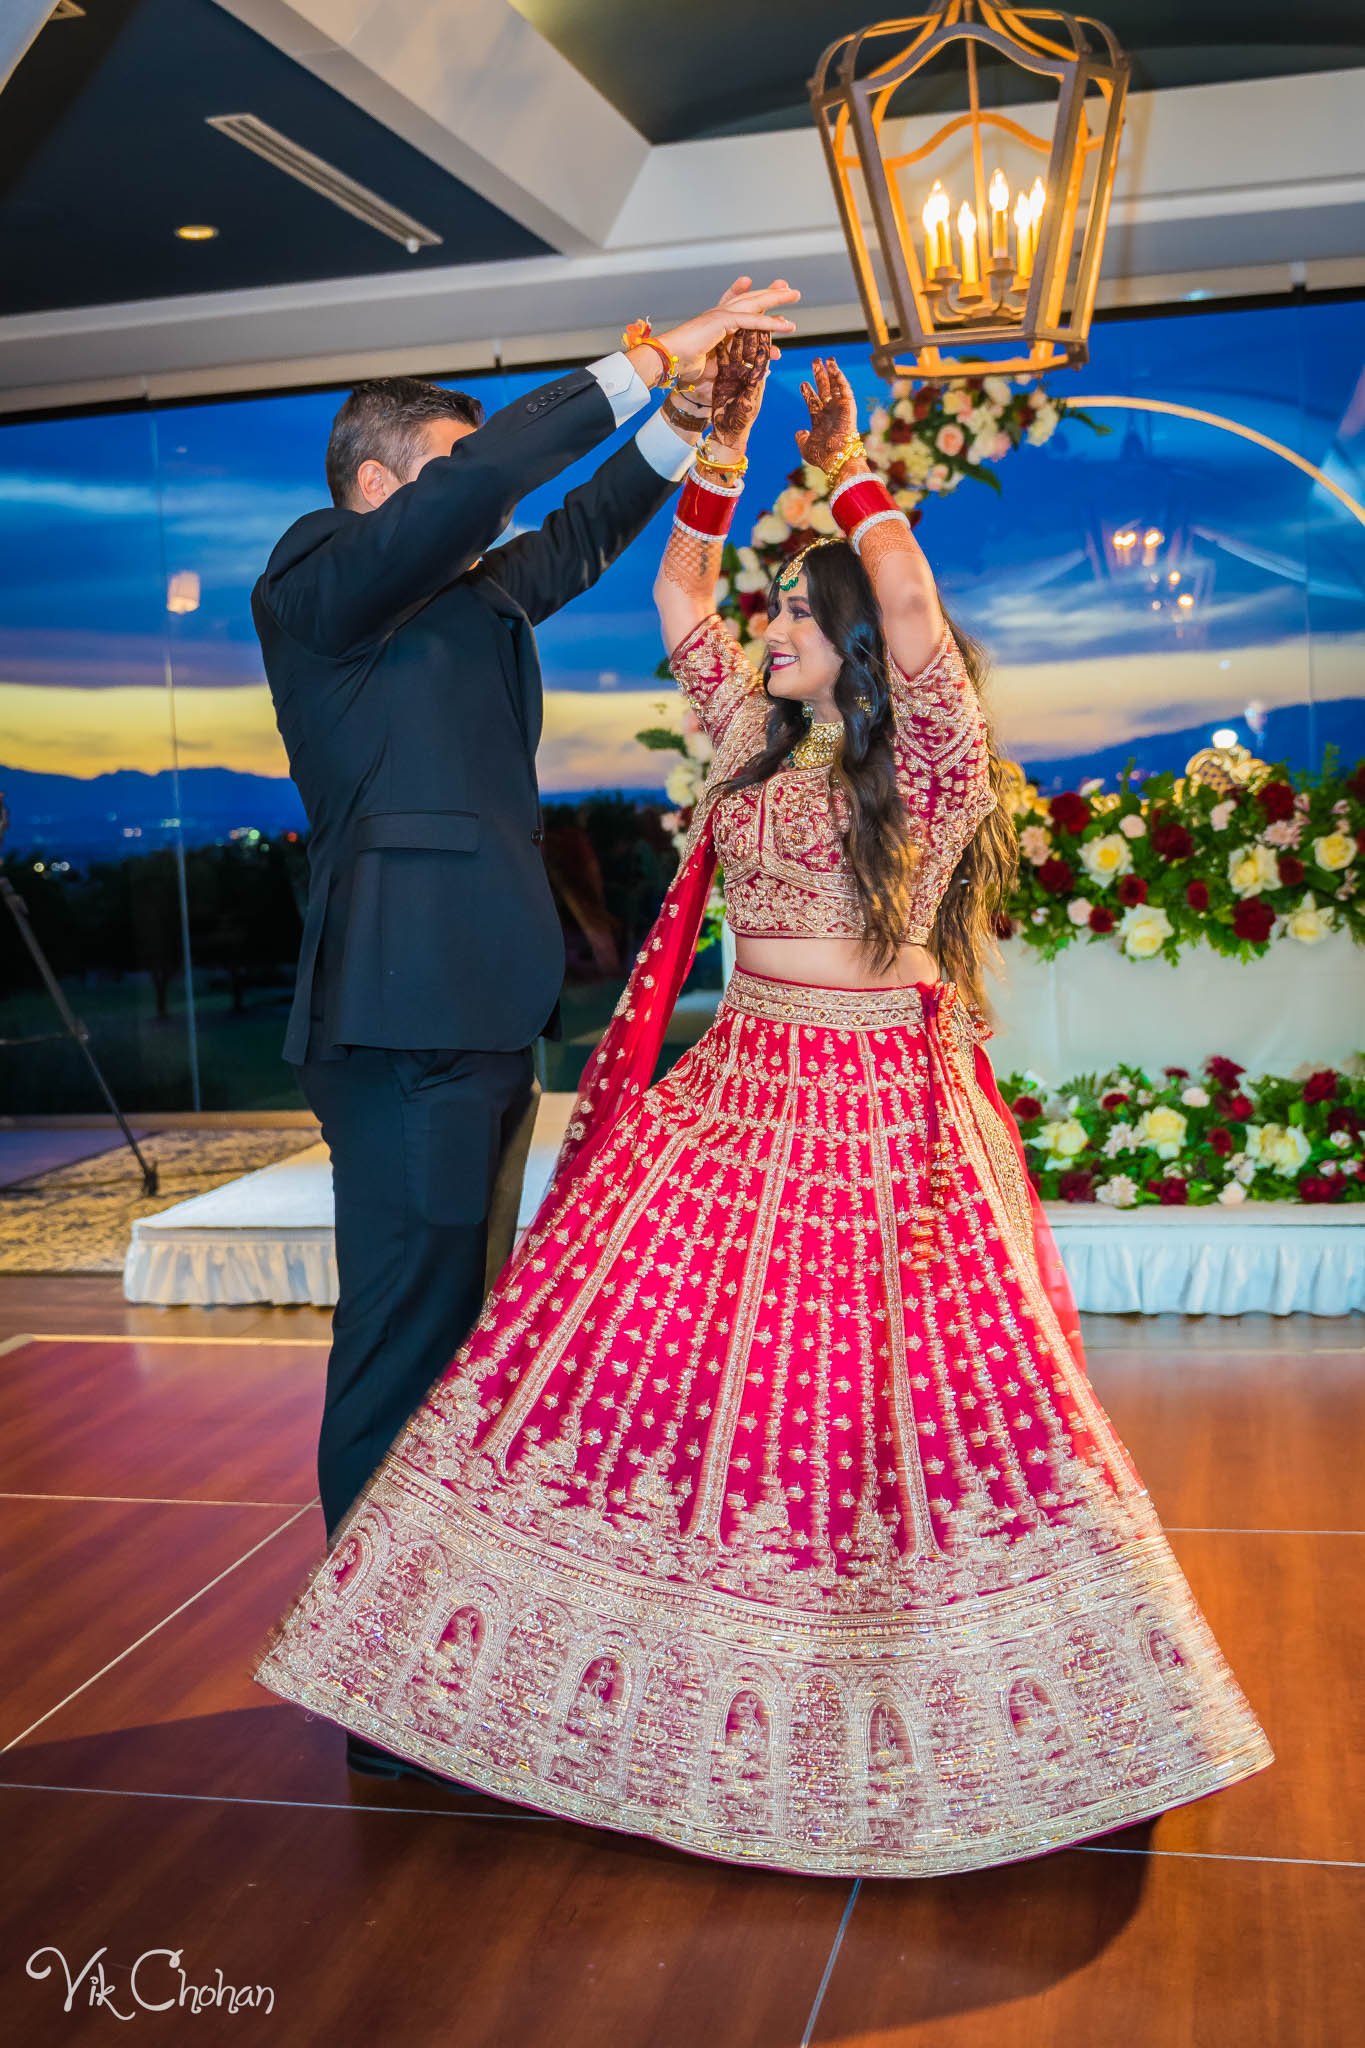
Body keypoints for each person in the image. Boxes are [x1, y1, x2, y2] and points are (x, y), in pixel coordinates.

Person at [251, 344, 1274, 1876]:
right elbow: (676, 597)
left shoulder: (929, 769)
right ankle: (595, 1678)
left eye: (802, 615)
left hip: (875, 1125)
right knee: (678, 1408)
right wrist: (711, 460)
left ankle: (942, 1700)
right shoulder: (742, 741)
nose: (772, 624)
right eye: (777, 607)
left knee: (908, 1420)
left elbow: (911, 617)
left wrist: (854, 477)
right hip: (733, 1109)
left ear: (856, 647)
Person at [251, 280, 800, 1781]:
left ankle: (427, 1641)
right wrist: (636, 362)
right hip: (397, 1016)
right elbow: (497, 484)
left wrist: (702, 430)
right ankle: (377, 1685)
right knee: (403, 1341)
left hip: (475, 1011)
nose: (476, 487)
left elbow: (569, 530)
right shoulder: (317, 580)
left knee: (453, 1337)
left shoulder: (467, 595)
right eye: (446, 466)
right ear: (378, 485)